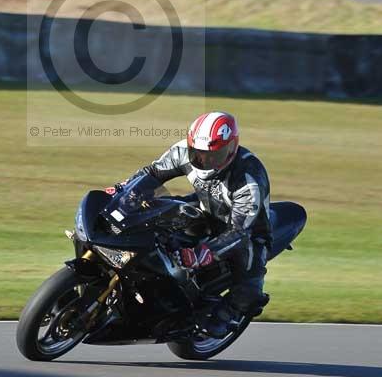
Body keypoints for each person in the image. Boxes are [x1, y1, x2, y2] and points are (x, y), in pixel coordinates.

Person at [105, 112, 271, 338]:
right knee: (153, 216)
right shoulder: (182, 151)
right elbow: (152, 173)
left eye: (214, 155)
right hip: (205, 208)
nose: (204, 161)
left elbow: (239, 232)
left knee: (249, 287)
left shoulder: (248, 178)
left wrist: (203, 254)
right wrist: (126, 193)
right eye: (198, 154)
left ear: (232, 148)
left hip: (246, 230)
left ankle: (230, 311)